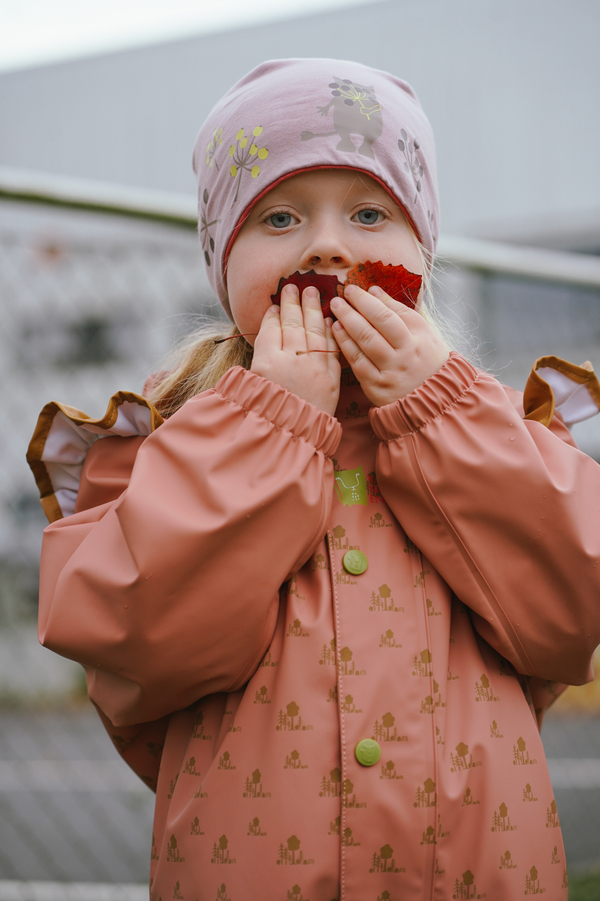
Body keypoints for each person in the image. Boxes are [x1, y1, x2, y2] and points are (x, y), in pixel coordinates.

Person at [27, 58, 600, 901]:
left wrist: (440, 412)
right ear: (225, 263)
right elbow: (138, 650)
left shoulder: (498, 426)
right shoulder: (171, 440)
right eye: (280, 216)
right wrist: (268, 426)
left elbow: (569, 618)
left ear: (421, 249)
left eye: (369, 213)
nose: (328, 244)